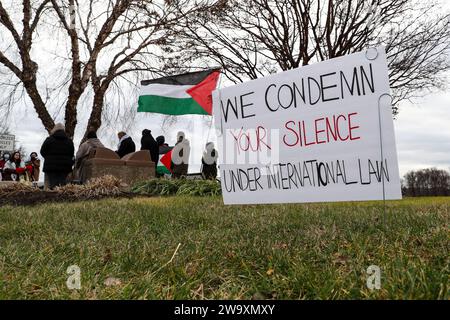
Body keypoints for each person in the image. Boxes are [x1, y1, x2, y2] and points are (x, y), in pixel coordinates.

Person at [40, 123, 75, 189]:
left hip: (50, 167)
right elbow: (71, 154)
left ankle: (51, 197)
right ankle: (61, 197)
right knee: (62, 185)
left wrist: (48, 158)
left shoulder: (49, 140)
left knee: (51, 185)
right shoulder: (69, 141)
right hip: (65, 167)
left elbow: (42, 151)